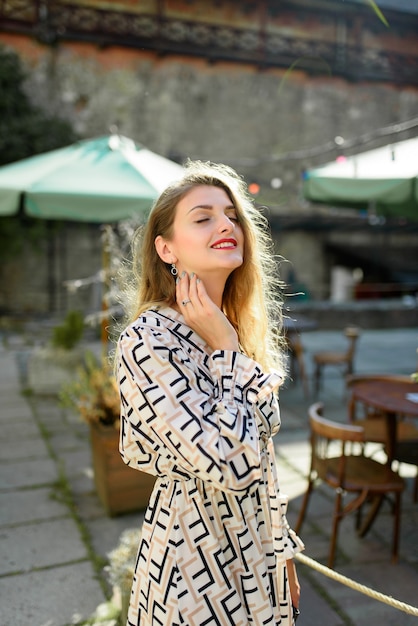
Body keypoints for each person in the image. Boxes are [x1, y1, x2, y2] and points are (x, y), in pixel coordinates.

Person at [117, 160, 304, 626]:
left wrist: (283, 557)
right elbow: (231, 464)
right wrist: (225, 350)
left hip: (259, 559)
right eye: (203, 218)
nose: (226, 224)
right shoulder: (147, 342)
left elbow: (261, 458)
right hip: (195, 568)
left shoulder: (235, 327)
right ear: (167, 248)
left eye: (231, 215)